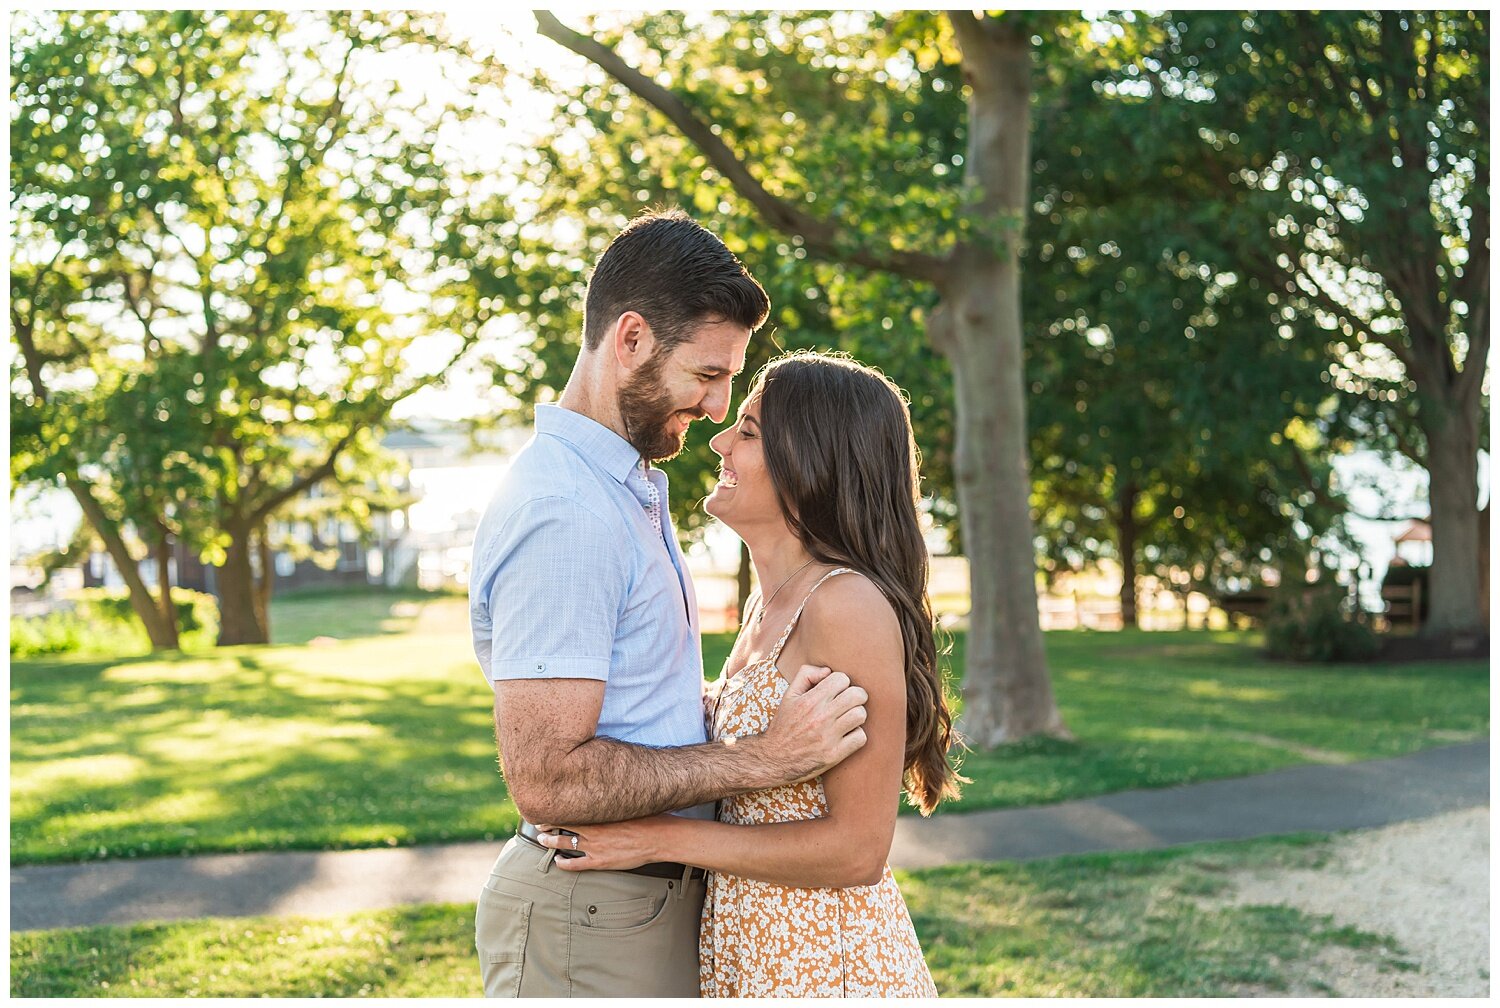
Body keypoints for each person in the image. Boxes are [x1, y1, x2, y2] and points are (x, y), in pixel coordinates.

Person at [469, 212, 872, 998]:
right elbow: (548, 779)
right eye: (708, 374)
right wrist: (765, 758)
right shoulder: (569, 514)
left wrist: (731, 704)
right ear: (630, 340)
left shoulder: (620, 494)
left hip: (635, 905)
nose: (719, 408)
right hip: (594, 912)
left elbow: (629, 694)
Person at [535, 351, 963, 997]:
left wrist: (654, 838)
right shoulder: (774, 601)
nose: (719, 440)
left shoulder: (844, 604)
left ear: (815, 461)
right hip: (750, 949)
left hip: (822, 963)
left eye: (750, 431)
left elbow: (857, 851)